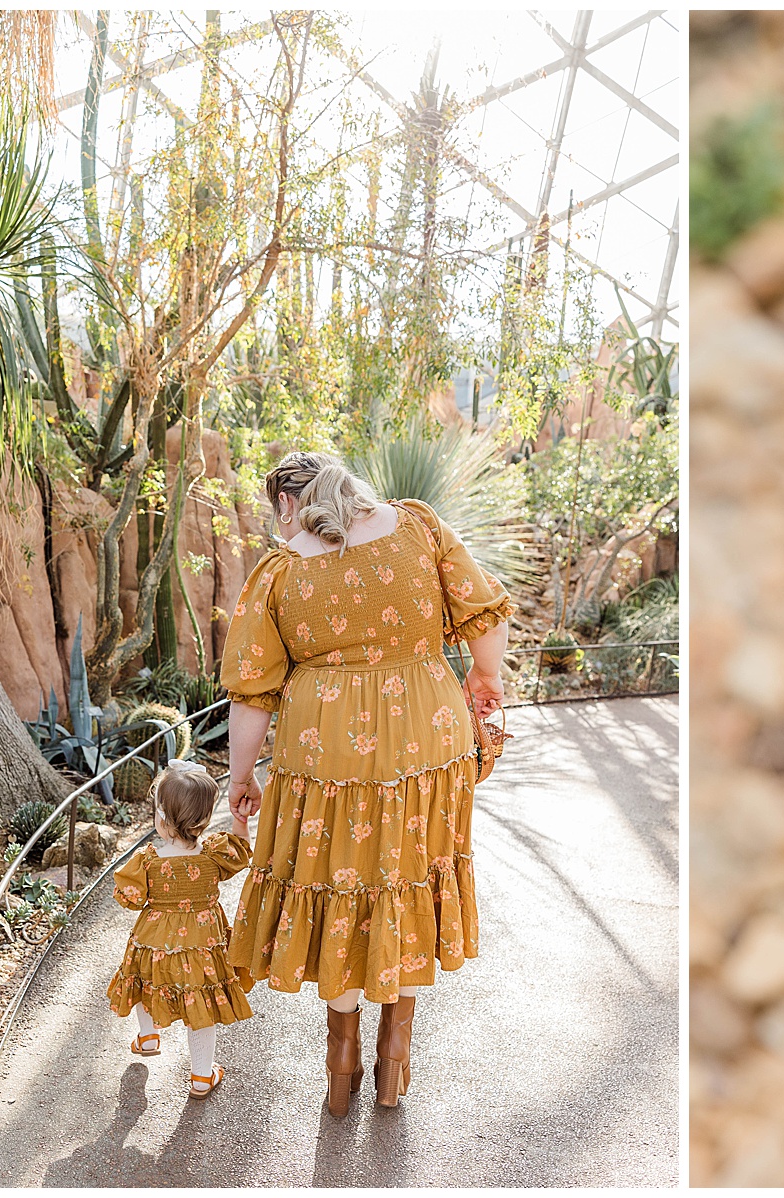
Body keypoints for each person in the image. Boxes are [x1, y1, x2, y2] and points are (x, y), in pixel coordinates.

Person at [220, 451, 512, 1117]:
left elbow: (251, 694)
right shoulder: (419, 526)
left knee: (342, 881)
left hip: (327, 753)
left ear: (287, 505)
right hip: (425, 739)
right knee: (404, 878)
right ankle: (392, 1066)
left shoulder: (279, 571)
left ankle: (340, 1067)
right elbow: (484, 613)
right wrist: (485, 678)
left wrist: (242, 778)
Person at [106, 759, 254, 1099]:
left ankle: (147, 1037)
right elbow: (241, 852)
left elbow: (128, 898)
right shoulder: (215, 853)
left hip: (153, 942)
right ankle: (202, 1075)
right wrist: (240, 821)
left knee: (145, 984)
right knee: (200, 1003)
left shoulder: (148, 860)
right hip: (204, 944)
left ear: (162, 817)